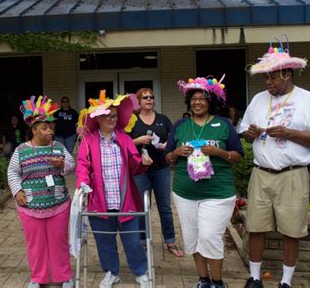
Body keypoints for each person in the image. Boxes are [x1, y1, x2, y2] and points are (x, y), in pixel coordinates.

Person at [240, 40, 310, 288]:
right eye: (266, 77)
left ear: (287, 74)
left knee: (291, 230)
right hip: (261, 172)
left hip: (292, 174)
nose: (268, 82)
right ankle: (254, 278)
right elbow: (244, 132)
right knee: (255, 227)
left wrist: (289, 133)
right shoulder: (257, 99)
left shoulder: (308, 99)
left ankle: (286, 282)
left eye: (273, 77)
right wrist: (252, 133)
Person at [165, 77, 243, 288]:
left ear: (210, 102)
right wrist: (176, 152)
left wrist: (219, 152)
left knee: (209, 237)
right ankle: (203, 280)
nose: (197, 102)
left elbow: (237, 155)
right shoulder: (181, 126)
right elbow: (167, 158)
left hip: (218, 193)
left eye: (202, 98)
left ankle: (217, 282)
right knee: (192, 238)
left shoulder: (224, 124)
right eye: (194, 99)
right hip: (185, 193)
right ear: (189, 102)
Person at [75, 90, 153, 288]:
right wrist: (82, 184)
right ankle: (111, 272)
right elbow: (83, 165)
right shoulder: (88, 140)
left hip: (125, 200)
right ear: (98, 118)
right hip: (99, 201)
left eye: (114, 115)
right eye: (107, 115)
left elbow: (134, 164)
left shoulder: (124, 138)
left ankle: (141, 271)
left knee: (133, 240)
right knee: (104, 241)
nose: (111, 118)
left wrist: (142, 162)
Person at [7, 95, 75, 288]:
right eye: (45, 127)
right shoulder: (21, 150)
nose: (50, 131)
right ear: (33, 129)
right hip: (30, 205)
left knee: (59, 242)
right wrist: (17, 191)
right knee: (36, 245)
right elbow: (12, 172)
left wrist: (62, 164)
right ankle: (38, 278)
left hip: (58, 204)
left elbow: (71, 165)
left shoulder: (58, 147)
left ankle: (64, 276)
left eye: (51, 127)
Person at [130, 88, 183, 258]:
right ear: (138, 101)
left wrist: (166, 145)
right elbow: (124, 143)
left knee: (165, 207)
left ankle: (170, 240)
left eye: (151, 97)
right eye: (145, 97)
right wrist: (138, 140)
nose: (149, 99)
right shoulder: (132, 120)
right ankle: (142, 240)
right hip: (140, 171)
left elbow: (173, 138)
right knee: (141, 207)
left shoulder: (163, 119)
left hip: (161, 169)